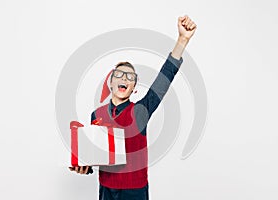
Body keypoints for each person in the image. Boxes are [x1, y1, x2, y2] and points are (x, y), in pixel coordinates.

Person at [69, 15, 197, 200]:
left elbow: (164, 79)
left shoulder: (140, 111)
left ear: (134, 88)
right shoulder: (96, 115)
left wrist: (182, 40)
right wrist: (84, 167)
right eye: (119, 75)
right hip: (106, 191)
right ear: (111, 82)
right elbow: (96, 157)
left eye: (130, 77)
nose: (124, 79)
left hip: (135, 192)